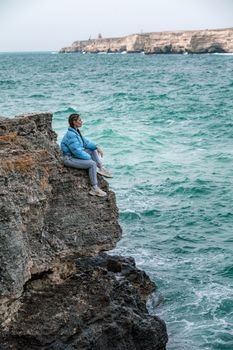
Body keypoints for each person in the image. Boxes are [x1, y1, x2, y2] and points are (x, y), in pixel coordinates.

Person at [61, 113, 112, 197]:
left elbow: (85, 143)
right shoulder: (71, 135)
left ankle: (101, 168)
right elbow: (76, 151)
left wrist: (96, 147)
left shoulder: (76, 132)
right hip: (69, 159)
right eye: (79, 120)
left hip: (73, 156)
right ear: (74, 122)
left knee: (91, 150)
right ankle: (94, 188)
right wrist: (89, 159)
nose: (81, 122)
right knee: (92, 164)